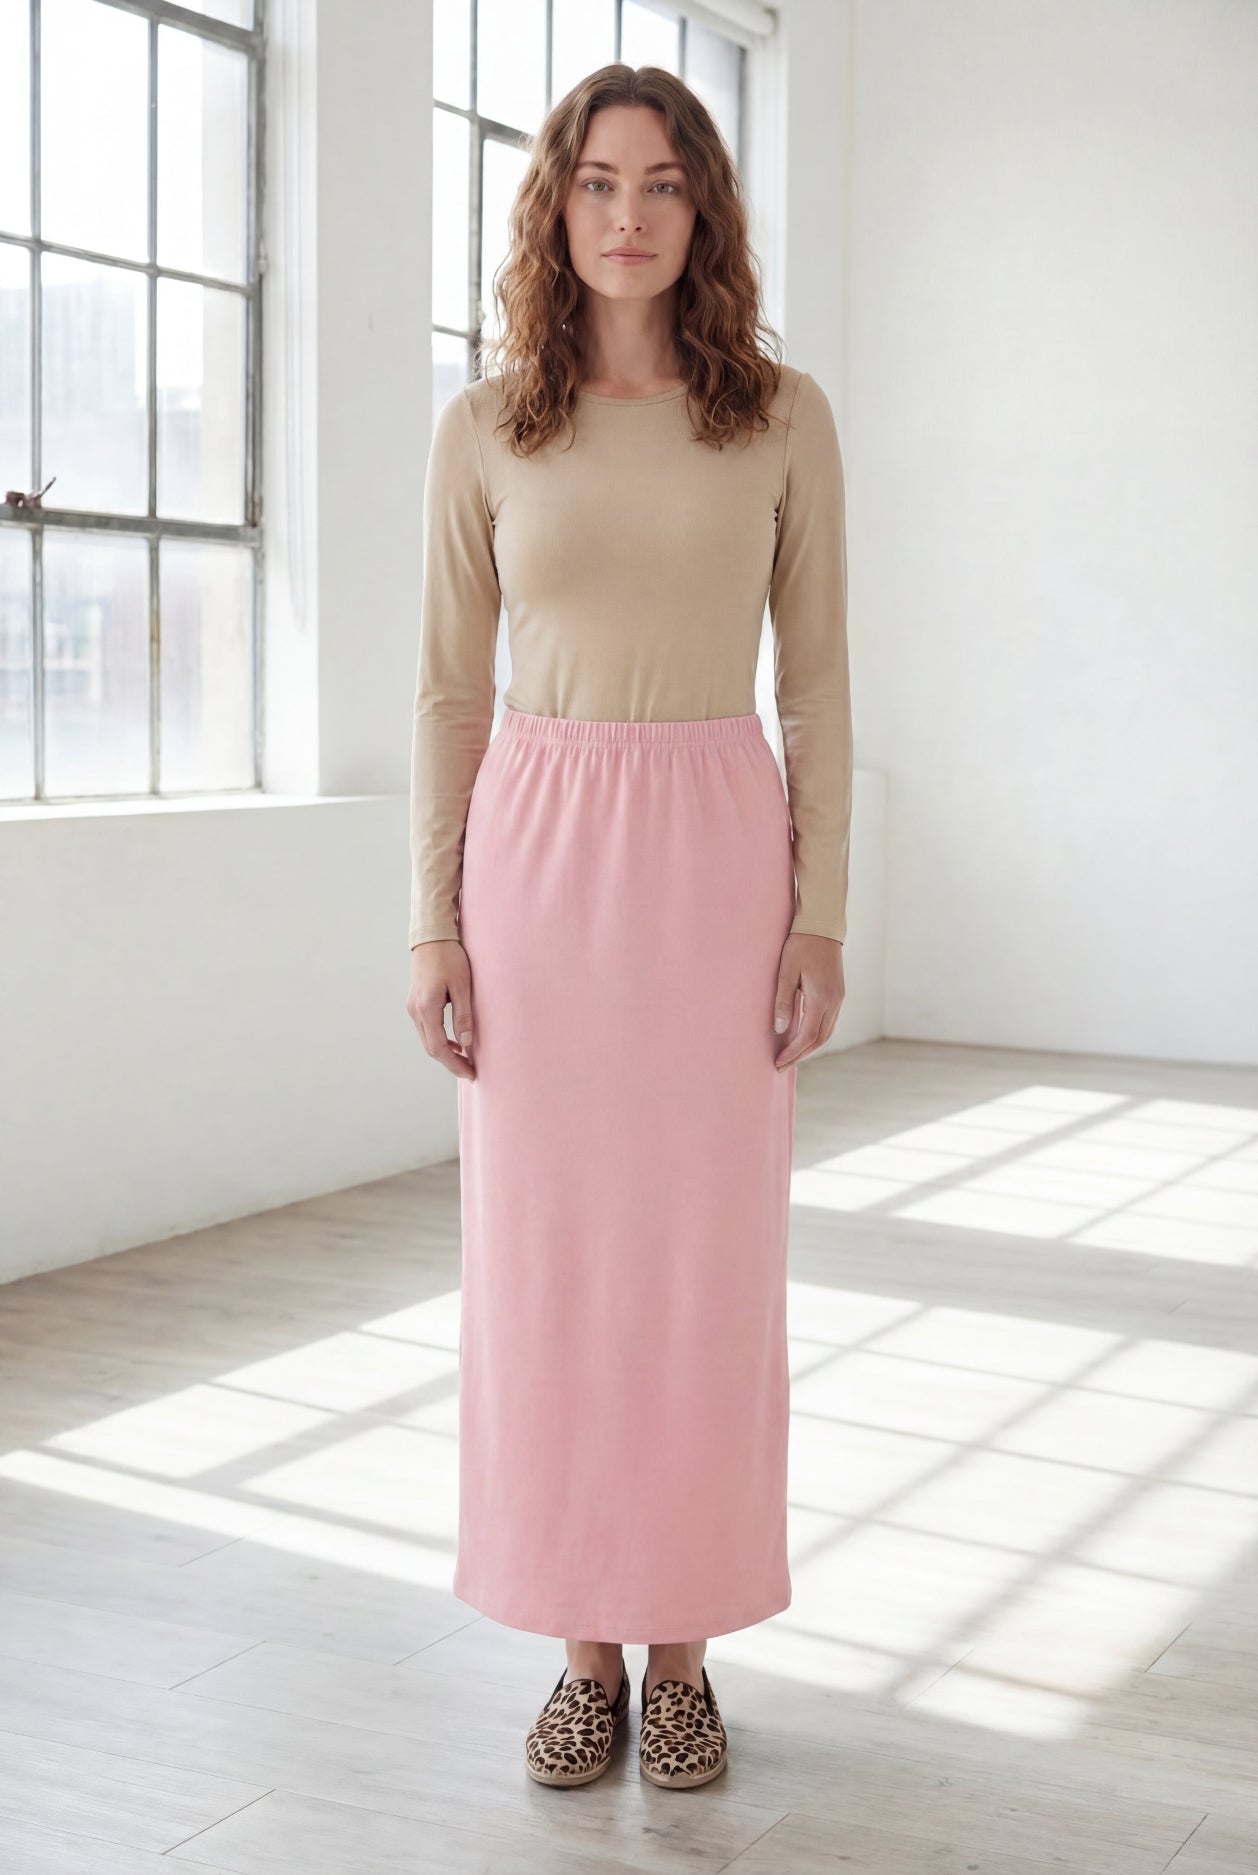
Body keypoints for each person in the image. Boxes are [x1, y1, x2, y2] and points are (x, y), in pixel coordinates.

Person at [406, 63, 852, 1791]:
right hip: (533, 869)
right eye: (597, 183)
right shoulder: (486, 423)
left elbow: (813, 682)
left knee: (702, 1273)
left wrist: (819, 911)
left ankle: (685, 1656)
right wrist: (429, 928)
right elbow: (449, 688)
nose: (627, 216)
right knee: (548, 1272)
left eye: (662, 185)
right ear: (554, 207)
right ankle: (579, 1648)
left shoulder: (782, 417)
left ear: (703, 211)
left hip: (716, 859)